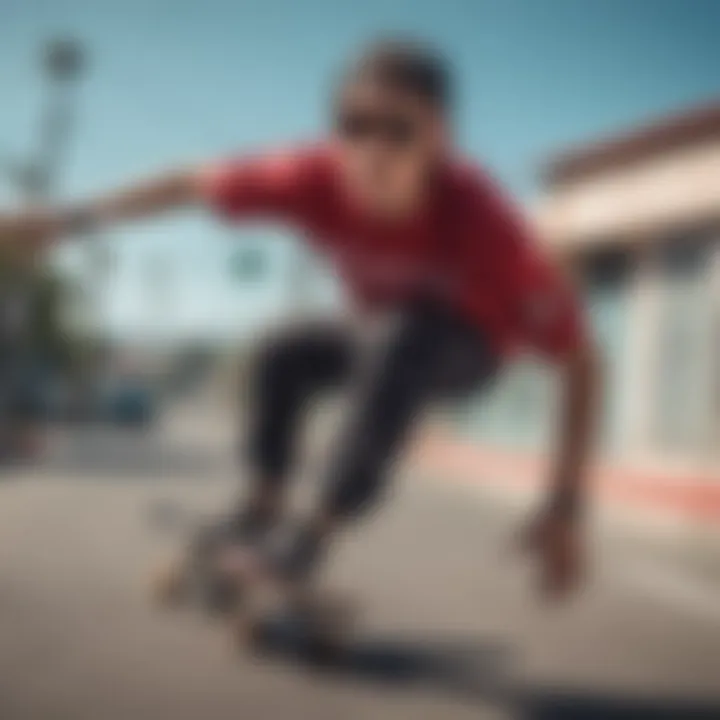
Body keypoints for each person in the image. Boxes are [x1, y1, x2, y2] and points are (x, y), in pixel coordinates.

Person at [0, 39, 600, 598]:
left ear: (440, 138)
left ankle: (312, 536)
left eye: (398, 130)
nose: (372, 151)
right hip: (377, 337)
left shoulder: (486, 223)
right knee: (280, 347)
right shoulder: (314, 177)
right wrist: (70, 219)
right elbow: (189, 182)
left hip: (468, 353)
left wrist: (563, 506)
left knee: (402, 337)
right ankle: (263, 507)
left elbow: (582, 364)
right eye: (354, 127)